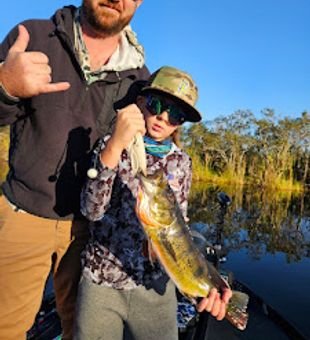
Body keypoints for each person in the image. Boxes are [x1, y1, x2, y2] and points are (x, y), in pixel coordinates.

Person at [0, 1, 148, 339]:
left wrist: (201, 278)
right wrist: (4, 86)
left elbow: (151, 167)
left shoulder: (140, 78)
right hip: (22, 214)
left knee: (81, 329)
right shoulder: (32, 36)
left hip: (91, 232)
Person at [76, 66, 232, 340]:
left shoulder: (181, 163)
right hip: (102, 279)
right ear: (140, 103)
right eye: (156, 104)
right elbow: (91, 211)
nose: (163, 116)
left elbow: (179, 229)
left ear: (180, 124)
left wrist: (209, 284)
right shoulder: (112, 144)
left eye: (176, 114)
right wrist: (113, 147)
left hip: (154, 288)